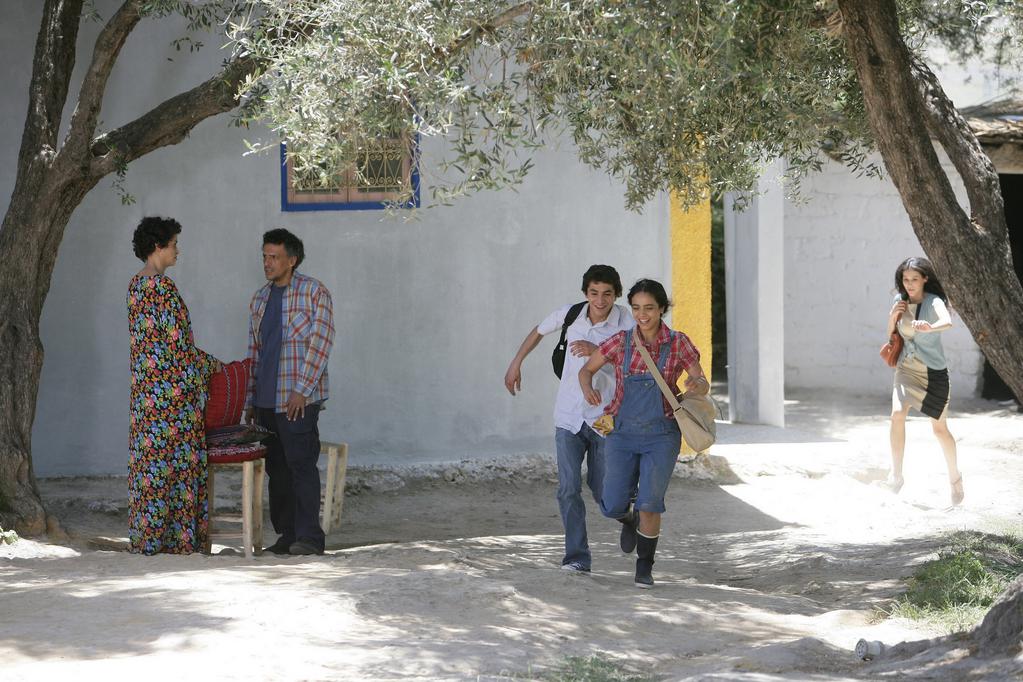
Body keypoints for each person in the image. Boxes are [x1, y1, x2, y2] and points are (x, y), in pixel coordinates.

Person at [504, 265, 634, 573]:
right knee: (568, 488)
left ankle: (628, 517)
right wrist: (516, 362)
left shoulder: (627, 321)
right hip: (568, 416)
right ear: (585, 292)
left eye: (607, 294)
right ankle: (577, 557)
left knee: (604, 492)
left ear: (616, 294)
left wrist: (598, 350)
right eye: (593, 293)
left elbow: (636, 363)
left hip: (605, 418)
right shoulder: (571, 314)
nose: (600, 301)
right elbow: (538, 331)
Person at [579, 279, 709, 588]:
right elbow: (586, 370)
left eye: (649, 308)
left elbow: (701, 380)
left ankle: (644, 567)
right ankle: (628, 518)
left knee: (651, 502)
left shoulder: (679, 343)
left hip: (662, 434)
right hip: (622, 433)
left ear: (662, 309)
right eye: (636, 308)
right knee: (610, 504)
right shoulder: (619, 341)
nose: (642, 315)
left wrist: (696, 385)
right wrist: (588, 388)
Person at [127, 216, 221, 555]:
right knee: (176, 468)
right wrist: (216, 366)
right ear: (158, 246)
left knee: (151, 466)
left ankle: (149, 538)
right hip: (172, 401)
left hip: (145, 398)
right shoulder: (163, 289)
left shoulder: (135, 286)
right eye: (174, 244)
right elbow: (178, 348)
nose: (177, 251)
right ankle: (178, 541)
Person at [245, 228, 335, 556]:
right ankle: (286, 536)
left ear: (291, 260)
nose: (267, 263)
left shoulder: (314, 293)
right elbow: (256, 351)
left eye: (274, 257)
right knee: (277, 472)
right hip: (266, 402)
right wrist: (250, 400)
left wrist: (302, 390)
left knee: (301, 465)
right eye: (265, 256)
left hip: (298, 399)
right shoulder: (259, 299)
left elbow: (321, 343)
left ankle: (310, 537)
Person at [884, 257, 963, 506]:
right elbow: (892, 336)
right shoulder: (899, 301)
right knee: (897, 415)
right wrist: (891, 317)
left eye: (914, 279)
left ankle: (955, 479)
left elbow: (947, 321)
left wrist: (930, 327)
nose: (909, 284)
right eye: (906, 280)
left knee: (939, 430)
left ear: (925, 279)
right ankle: (896, 474)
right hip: (906, 369)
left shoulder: (934, 301)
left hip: (933, 373)